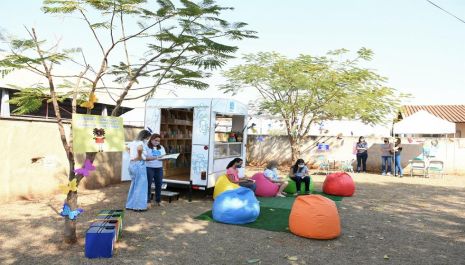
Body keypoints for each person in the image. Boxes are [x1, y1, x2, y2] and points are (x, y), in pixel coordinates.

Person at [126, 129, 152, 211]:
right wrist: (139, 157)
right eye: (148, 138)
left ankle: (130, 205)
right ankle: (139, 207)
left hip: (132, 164)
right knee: (141, 185)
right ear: (145, 137)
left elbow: (127, 148)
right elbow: (140, 149)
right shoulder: (141, 143)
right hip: (139, 164)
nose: (148, 140)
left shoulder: (133, 142)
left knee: (134, 184)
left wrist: (132, 156)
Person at [145, 133, 166, 207]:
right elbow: (144, 158)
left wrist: (165, 158)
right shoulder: (146, 147)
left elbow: (164, 156)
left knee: (159, 184)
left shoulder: (161, 147)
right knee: (148, 185)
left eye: (159, 141)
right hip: (149, 168)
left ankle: (158, 200)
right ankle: (148, 201)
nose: (157, 142)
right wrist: (155, 158)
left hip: (159, 168)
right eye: (155, 140)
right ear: (151, 140)